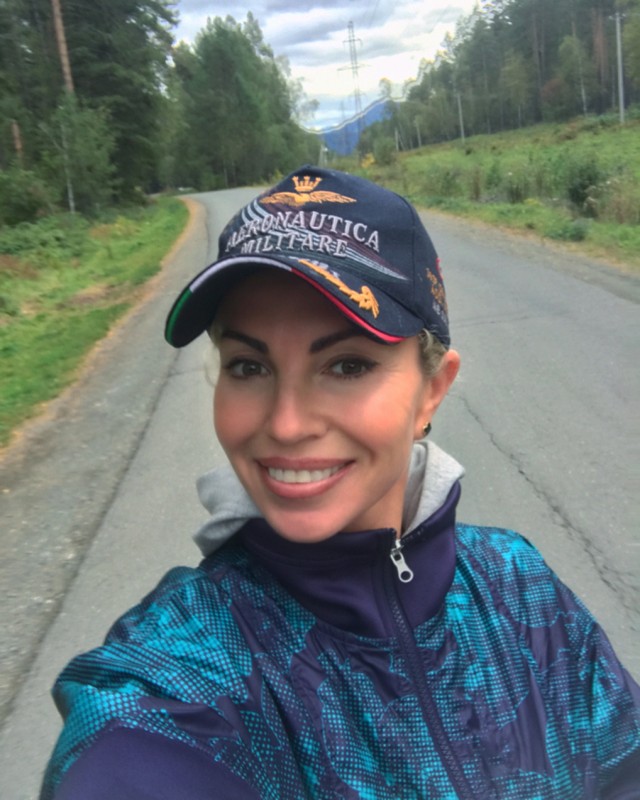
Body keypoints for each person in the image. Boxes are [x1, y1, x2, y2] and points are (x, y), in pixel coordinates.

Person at [41, 166, 639, 799]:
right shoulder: (182, 666)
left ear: (431, 390)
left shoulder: (522, 588)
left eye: (346, 365)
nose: (287, 424)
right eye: (248, 366)